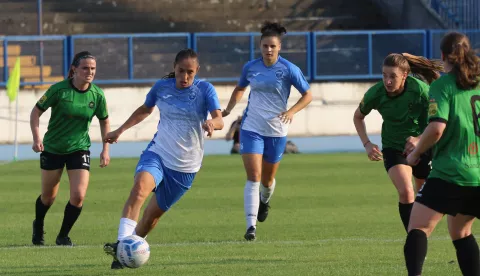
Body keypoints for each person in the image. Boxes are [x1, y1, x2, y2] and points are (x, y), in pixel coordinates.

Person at [103, 48, 223, 269]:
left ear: (197, 71)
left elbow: (219, 119)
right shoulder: (162, 87)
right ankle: (121, 246)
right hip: (158, 153)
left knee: (150, 219)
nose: (184, 77)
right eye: (180, 71)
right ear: (173, 68)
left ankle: (129, 249)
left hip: (185, 167)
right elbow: (145, 110)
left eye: (189, 72)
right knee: (140, 189)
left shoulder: (205, 90)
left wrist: (211, 124)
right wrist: (119, 131)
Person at [222, 21, 312, 241]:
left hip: (277, 131)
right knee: (253, 176)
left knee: (267, 180)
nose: (268, 50)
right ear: (260, 46)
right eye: (265, 46)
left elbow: (308, 95)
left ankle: (264, 201)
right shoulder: (250, 67)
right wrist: (228, 110)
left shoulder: (289, 69)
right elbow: (240, 89)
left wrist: (291, 112)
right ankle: (250, 226)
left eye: (272, 46)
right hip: (251, 128)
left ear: (279, 47)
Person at [404, 32, 480, 276]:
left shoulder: (442, 86)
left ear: (443, 55)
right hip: (478, 175)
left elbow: (437, 128)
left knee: (417, 227)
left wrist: (416, 151)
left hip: (451, 172)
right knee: (461, 232)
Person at [353, 52, 443, 233]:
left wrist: (419, 139)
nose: (387, 81)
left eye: (393, 76)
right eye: (384, 75)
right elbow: (358, 117)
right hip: (394, 148)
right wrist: (367, 144)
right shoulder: (375, 93)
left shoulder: (420, 89)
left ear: (404, 75)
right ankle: (413, 238)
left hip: (423, 146)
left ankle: (420, 236)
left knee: (425, 199)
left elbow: (438, 118)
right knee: (406, 192)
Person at [30, 51, 110, 246]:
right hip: (53, 148)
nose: (89, 72)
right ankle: (38, 224)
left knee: (78, 195)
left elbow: (104, 121)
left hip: (79, 148)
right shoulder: (58, 90)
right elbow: (35, 113)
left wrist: (105, 149)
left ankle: (63, 236)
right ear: (74, 69)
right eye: (85, 68)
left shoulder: (97, 95)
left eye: (93, 68)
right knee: (48, 198)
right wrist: (36, 138)